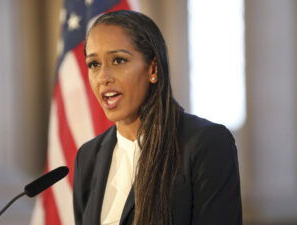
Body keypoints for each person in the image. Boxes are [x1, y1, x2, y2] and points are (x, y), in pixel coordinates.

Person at [73, 10, 242, 225]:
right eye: (94, 64)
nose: (103, 77)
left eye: (118, 60)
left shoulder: (206, 143)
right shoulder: (88, 157)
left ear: (153, 68)